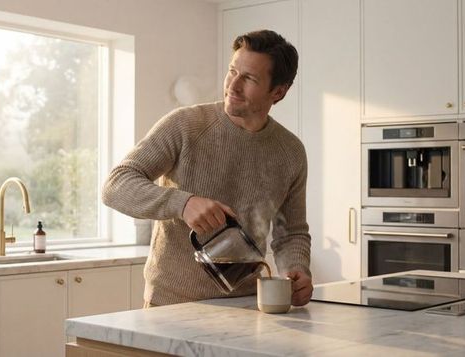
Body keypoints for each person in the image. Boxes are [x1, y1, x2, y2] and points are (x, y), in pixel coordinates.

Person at [102, 29, 313, 307]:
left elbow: (291, 232)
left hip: (248, 305)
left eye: (248, 78)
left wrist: (297, 269)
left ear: (278, 92)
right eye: (232, 71)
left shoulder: (291, 152)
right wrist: (183, 203)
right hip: (170, 304)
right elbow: (115, 186)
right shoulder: (184, 125)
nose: (232, 86)